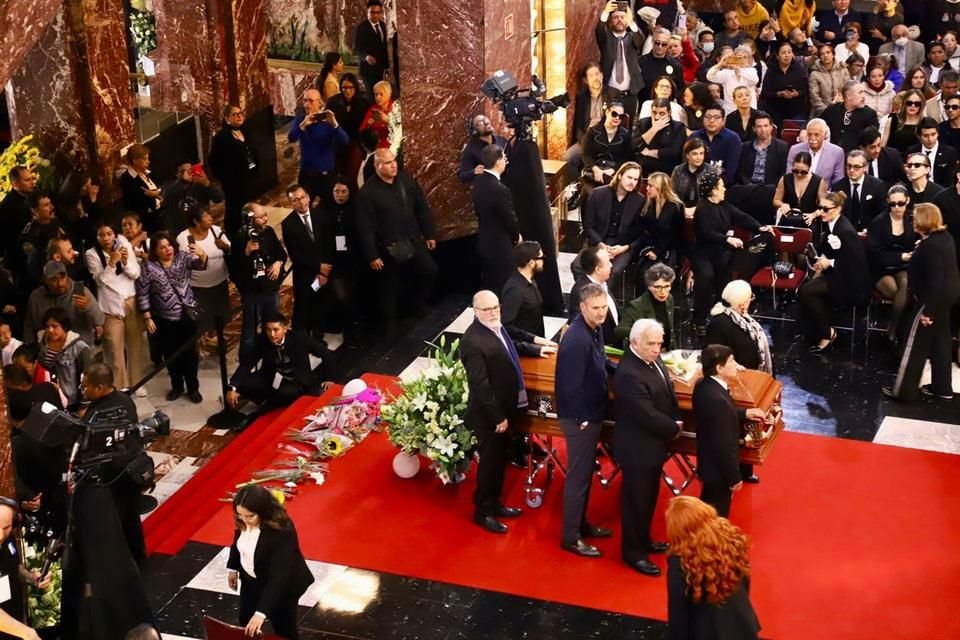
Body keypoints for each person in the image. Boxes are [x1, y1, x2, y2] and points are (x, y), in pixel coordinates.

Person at [459, 290, 530, 534]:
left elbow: (510, 350)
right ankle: (483, 511)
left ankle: (495, 503)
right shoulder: (472, 340)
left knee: (500, 461)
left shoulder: (496, 328)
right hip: (490, 416)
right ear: (476, 312)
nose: (493, 312)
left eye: (496, 307)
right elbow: (480, 385)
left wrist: (535, 347)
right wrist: (497, 416)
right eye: (487, 309)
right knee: (490, 464)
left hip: (506, 408)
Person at [613, 318, 678, 577]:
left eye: (659, 343)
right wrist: (673, 427)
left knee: (648, 498)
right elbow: (645, 414)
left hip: (651, 447)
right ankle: (633, 553)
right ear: (634, 342)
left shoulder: (652, 359)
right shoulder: (629, 372)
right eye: (651, 343)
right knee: (636, 502)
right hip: (637, 448)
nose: (657, 348)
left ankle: (644, 540)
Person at [556, 283, 616, 558]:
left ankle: (581, 524)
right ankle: (571, 537)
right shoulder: (576, 339)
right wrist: (581, 417)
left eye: (604, 307)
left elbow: (600, 361)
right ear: (582, 308)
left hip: (592, 412)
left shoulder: (594, 329)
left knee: (584, 476)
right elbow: (568, 385)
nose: (602, 313)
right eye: (596, 308)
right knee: (578, 478)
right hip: (580, 417)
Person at [355, 149, 438, 337]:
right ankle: (390, 324)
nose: (393, 165)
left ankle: (417, 306)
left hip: (413, 239)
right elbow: (365, 228)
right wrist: (372, 255)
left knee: (429, 271)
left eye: (394, 161)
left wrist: (429, 233)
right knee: (390, 287)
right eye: (388, 162)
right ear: (378, 166)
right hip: (388, 247)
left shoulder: (405, 180)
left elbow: (421, 207)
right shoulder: (367, 193)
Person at [883, 203, 960, 401]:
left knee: (915, 341)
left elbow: (936, 280)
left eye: (915, 217)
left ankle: (904, 391)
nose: (913, 221)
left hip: (933, 298)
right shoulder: (944, 238)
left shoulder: (930, 245)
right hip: (948, 296)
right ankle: (942, 388)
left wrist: (928, 312)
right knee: (941, 340)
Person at [665, 496, 761, 639]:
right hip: (742, 623)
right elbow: (745, 579)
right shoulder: (730, 538)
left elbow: (679, 615)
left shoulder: (679, 561)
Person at [227, 485, 313, 639]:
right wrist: (232, 567)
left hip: (284, 587)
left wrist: (261, 613)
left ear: (263, 511)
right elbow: (238, 541)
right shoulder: (244, 518)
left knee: (284, 630)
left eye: (250, 516)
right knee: (245, 620)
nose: (244, 520)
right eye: (240, 515)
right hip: (252, 580)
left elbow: (279, 577)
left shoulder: (282, 531)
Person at [693, 344, 767, 517]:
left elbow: (722, 412)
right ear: (719, 368)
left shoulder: (703, 385)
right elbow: (724, 446)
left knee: (708, 511)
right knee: (716, 517)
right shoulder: (717, 399)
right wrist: (734, 477)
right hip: (718, 471)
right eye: (731, 361)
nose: (736, 365)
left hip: (708, 464)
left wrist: (745, 412)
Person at [691, 168, 769, 334]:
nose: (724, 189)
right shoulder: (702, 208)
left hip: (720, 253)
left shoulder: (724, 205)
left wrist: (759, 226)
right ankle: (699, 320)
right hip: (703, 254)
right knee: (706, 277)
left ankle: (723, 317)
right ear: (713, 190)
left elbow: (741, 217)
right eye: (721, 186)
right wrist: (727, 239)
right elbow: (706, 233)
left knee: (724, 281)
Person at [136, 231, 208, 403]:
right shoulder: (148, 267)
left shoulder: (182, 258)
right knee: (170, 355)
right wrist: (147, 317)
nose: (167, 250)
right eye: (162, 247)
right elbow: (143, 293)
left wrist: (202, 254)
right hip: (164, 318)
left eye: (169, 245)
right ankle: (176, 386)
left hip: (187, 315)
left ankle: (193, 388)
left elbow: (201, 265)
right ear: (155, 250)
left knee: (190, 354)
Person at [798, 191, 870, 351]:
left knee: (807, 292)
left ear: (837, 209)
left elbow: (855, 264)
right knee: (806, 288)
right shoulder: (832, 225)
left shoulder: (845, 230)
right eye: (820, 208)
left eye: (825, 209)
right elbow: (830, 250)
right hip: (837, 275)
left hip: (849, 282)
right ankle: (817, 330)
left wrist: (829, 262)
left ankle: (827, 333)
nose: (821, 212)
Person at [226, 312, 335, 413]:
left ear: (285, 328)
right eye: (268, 330)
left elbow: (326, 353)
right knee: (242, 383)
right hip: (272, 376)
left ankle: (272, 402)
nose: (272, 334)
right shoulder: (263, 340)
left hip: (296, 380)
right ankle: (269, 400)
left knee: (284, 393)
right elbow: (247, 363)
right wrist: (233, 387)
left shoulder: (299, 338)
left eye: (276, 330)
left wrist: (329, 378)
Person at [85, 222, 146, 392]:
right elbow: (100, 281)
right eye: (101, 235)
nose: (106, 238)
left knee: (135, 347)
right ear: (97, 237)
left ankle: (137, 383)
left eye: (109, 233)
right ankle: (119, 387)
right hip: (110, 307)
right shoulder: (92, 254)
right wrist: (111, 263)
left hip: (130, 301)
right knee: (114, 352)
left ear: (114, 234)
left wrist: (125, 262)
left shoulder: (124, 244)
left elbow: (135, 273)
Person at [230, 203, 287, 360]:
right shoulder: (240, 237)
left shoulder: (268, 232)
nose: (265, 219)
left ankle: (271, 357)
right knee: (250, 331)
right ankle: (246, 362)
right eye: (261, 217)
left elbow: (281, 253)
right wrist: (246, 252)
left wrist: (278, 263)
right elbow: (234, 268)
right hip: (252, 292)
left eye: (265, 215)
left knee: (271, 326)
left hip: (271, 288)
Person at [582, 162, 644, 291]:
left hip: (622, 247)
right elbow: (588, 226)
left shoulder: (640, 201)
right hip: (599, 242)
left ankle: (603, 301)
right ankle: (584, 297)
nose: (632, 182)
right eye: (629, 177)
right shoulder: (598, 194)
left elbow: (641, 233)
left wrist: (624, 248)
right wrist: (600, 244)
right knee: (577, 266)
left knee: (612, 271)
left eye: (635, 179)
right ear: (620, 175)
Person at [281, 183, 333, 338]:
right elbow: (295, 254)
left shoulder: (321, 215)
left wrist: (324, 272)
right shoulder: (288, 224)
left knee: (320, 304)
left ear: (308, 197)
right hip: (305, 274)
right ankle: (302, 340)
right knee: (303, 306)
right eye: (296, 200)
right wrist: (318, 268)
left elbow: (328, 243)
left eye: (303, 197)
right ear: (291, 203)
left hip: (324, 272)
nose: (301, 202)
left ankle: (318, 337)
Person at [867, 185, 915, 342]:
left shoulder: (912, 219)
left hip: (903, 268)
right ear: (888, 202)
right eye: (893, 204)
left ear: (907, 201)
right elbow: (875, 256)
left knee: (905, 282)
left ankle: (893, 329)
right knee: (900, 294)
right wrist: (902, 257)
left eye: (900, 203)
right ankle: (899, 330)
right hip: (880, 269)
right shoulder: (878, 222)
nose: (897, 208)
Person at [0, 497, 52, 640]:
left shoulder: (7, 540)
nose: (0, 534)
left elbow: (15, 568)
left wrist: (29, 577)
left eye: (6, 527)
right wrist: (28, 633)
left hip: (14, 629)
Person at [176, 204, 231, 336]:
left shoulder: (216, 231)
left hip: (220, 283)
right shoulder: (183, 239)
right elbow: (184, 264)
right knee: (204, 322)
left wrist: (224, 246)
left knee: (221, 318)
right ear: (196, 221)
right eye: (206, 216)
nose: (210, 218)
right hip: (199, 288)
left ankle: (220, 343)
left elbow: (230, 248)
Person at [473, 144, 521, 294]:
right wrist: (516, 236)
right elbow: (509, 218)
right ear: (498, 162)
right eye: (504, 158)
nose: (506, 161)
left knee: (490, 284)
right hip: (500, 246)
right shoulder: (499, 189)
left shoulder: (479, 182)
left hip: (484, 241)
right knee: (504, 286)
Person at [289, 89, 348, 206]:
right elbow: (292, 138)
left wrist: (335, 124)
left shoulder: (328, 122)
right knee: (303, 207)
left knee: (331, 209)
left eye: (310, 101)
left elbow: (344, 140)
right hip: (306, 175)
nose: (306, 104)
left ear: (320, 103)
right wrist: (303, 125)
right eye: (304, 101)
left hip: (326, 176)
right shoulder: (300, 120)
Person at [24, 260, 103, 347]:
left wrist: (88, 307)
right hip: (49, 350)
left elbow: (100, 320)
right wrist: (29, 348)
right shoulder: (36, 297)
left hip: (80, 348)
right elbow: (29, 327)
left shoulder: (81, 292)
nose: (60, 284)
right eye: (54, 279)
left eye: (62, 278)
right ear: (45, 280)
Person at [209, 104, 260, 235]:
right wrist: (226, 178)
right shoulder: (221, 138)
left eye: (240, 113)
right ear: (227, 118)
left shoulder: (246, 131)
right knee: (235, 209)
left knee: (249, 206)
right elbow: (213, 162)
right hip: (234, 183)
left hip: (249, 179)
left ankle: (250, 229)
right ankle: (235, 234)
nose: (239, 116)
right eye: (235, 114)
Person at [595, 2, 645, 121]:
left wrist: (631, 21)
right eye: (615, 17)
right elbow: (599, 31)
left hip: (630, 94)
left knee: (627, 127)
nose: (619, 20)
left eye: (622, 17)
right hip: (611, 94)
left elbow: (640, 41)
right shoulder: (606, 38)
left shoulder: (632, 37)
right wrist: (606, 12)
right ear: (610, 21)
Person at [557, 63, 607, 176]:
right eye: (591, 76)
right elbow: (579, 125)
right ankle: (577, 186)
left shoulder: (612, 94)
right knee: (566, 158)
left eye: (597, 74)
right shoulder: (582, 97)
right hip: (586, 139)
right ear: (585, 80)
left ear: (602, 75)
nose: (596, 78)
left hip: (605, 140)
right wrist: (584, 142)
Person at [615, 262, 676, 350]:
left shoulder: (669, 299)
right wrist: (643, 332)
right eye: (658, 287)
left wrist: (675, 352)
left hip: (666, 352)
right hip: (645, 353)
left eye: (666, 286)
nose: (663, 291)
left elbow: (671, 331)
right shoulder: (637, 305)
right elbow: (619, 331)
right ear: (649, 287)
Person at [326, 73, 371, 192]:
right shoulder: (333, 102)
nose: (347, 91)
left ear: (355, 87)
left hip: (356, 141)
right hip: (337, 142)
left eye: (350, 87)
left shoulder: (364, 103)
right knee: (336, 175)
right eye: (344, 87)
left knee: (351, 176)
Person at [18, 191, 69, 293]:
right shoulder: (30, 235)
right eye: (46, 205)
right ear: (34, 210)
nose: (52, 207)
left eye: (50, 203)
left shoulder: (55, 222)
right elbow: (34, 270)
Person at [568, 246, 620, 346]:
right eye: (608, 263)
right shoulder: (582, 291)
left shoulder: (602, 284)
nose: (611, 265)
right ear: (598, 269)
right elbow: (580, 326)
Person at [581, 101, 634, 190]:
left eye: (621, 116)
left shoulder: (625, 135)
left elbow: (627, 158)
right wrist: (595, 169)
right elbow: (585, 154)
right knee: (589, 192)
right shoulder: (593, 131)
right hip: (595, 169)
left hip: (615, 172)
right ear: (607, 112)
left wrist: (613, 170)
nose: (617, 118)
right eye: (614, 114)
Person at [160, 162, 224, 234]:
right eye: (183, 171)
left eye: (190, 170)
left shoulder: (201, 184)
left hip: (201, 228)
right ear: (177, 174)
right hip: (181, 231)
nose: (188, 173)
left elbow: (219, 198)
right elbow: (166, 196)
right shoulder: (171, 188)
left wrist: (207, 183)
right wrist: (181, 182)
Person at [831, 149, 888, 230]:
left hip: (870, 232)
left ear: (865, 167)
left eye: (856, 167)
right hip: (845, 232)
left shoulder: (877, 186)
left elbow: (883, 213)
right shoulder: (838, 187)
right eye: (849, 166)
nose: (851, 170)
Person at [637, 172, 683, 271]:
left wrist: (657, 251)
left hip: (669, 248)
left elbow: (676, 235)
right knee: (643, 274)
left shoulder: (676, 206)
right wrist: (650, 249)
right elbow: (643, 230)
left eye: (650, 186)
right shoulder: (647, 204)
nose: (646, 188)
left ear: (660, 187)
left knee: (660, 274)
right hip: (650, 246)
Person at [501, 242, 548, 340]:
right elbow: (507, 326)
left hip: (537, 341)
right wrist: (533, 339)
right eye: (541, 258)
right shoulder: (514, 290)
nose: (543, 261)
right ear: (531, 263)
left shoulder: (530, 280)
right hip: (525, 346)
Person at [759, 41, 809, 128]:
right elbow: (765, 92)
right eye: (783, 53)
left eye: (789, 52)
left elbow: (806, 90)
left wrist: (796, 94)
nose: (787, 55)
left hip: (796, 110)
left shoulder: (799, 69)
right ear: (777, 56)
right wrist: (779, 94)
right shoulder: (771, 70)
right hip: (775, 111)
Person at [691, 104, 742, 185]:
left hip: (724, 186)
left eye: (716, 117)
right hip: (696, 184)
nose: (711, 120)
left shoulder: (733, 138)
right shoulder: (694, 137)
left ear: (723, 121)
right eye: (708, 117)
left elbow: (731, 171)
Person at [820, 81, 879, 152]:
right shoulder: (832, 110)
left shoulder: (869, 114)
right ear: (848, 96)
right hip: (831, 154)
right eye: (860, 93)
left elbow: (872, 139)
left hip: (856, 157)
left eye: (864, 92)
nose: (863, 96)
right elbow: (818, 123)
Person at [635, 98, 688, 176]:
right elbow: (635, 146)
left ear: (669, 113)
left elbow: (674, 152)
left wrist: (649, 152)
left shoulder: (678, 127)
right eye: (654, 112)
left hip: (668, 170)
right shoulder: (644, 123)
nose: (657, 117)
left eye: (662, 113)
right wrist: (654, 129)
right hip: (645, 169)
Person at [786, 119, 845, 187]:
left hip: (824, 194)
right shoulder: (795, 150)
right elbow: (789, 177)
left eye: (816, 135)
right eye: (809, 134)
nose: (812, 138)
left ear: (824, 135)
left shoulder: (837, 152)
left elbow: (838, 182)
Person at [773, 152, 826, 226]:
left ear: (809, 167)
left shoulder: (818, 181)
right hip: (788, 220)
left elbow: (825, 206)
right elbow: (776, 200)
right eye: (795, 171)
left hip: (808, 222)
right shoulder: (785, 179)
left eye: (803, 172)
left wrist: (813, 215)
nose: (799, 174)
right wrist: (782, 205)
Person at [120, 144, 163, 233]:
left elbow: (160, 188)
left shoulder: (148, 172)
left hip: (160, 216)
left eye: (148, 158)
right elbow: (141, 200)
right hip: (146, 222)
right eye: (144, 159)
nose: (148, 162)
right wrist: (157, 195)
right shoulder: (127, 178)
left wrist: (156, 193)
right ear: (135, 160)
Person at [0, 166, 37, 265]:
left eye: (32, 178)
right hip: (20, 261)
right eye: (27, 180)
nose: (32, 182)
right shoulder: (7, 207)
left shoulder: (33, 194)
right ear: (15, 184)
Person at [353, 0, 390, 98]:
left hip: (381, 69)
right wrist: (366, 57)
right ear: (367, 12)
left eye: (378, 13)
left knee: (383, 95)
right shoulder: (361, 28)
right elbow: (357, 48)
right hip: (368, 70)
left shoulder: (383, 25)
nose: (375, 15)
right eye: (372, 12)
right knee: (372, 96)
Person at [706, 48, 759, 115]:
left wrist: (738, 70)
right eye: (739, 57)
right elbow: (710, 76)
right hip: (730, 112)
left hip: (750, 112)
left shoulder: (752, 71)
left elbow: (755, 80)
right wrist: (720, 64)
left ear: (749, 60)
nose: (741, 59)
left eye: (745, 57)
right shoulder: (726, 73)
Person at [459, 114, 509, 184]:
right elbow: (462, 176)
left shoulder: (501, 140)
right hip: (489, 189)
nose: (486, 122)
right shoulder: (470, 149)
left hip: (509, 188)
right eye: (480, 122)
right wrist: (474, 172)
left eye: (485, 119)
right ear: (475, 131)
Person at [908, 118, 958, 187]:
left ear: (938, 134)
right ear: (919, 136)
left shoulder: (949, 152)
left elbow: (950, 180)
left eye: (933, 134)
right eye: (926, 135)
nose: (930, 139)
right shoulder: (912, 151)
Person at [640, 28, 686, 100]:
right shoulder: (640, 62)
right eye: (657, 43)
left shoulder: (675, 65)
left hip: (668, 106)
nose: (660, 46)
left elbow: (680, 88)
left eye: (664, 44)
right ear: (652, 41)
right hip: (645, 104)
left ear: (668, 44)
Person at [672, 138, 708, 218]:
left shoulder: (710, 171)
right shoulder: (678, 170)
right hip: (681, 211)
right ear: (687, 155)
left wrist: (695, 210)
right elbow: (673, 195)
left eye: (701, 153)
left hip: (704, 212)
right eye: (695, 154)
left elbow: (712, 199)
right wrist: (683, 210)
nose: (699, 157)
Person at [359, 80, 399, 151]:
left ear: (389, 94)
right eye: (376, 94)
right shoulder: (373, 109)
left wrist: (388, 121)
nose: (378, 97)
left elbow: (400, 130)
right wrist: (368, 124)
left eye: (381, 94)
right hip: (375, 148)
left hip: (392, 147)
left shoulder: (396, 108)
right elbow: (362, 130)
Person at [808, 45, 847, 117]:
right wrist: (828, 111)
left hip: (842, 110)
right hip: (821, 113)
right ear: (819, 57)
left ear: (833, 54)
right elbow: (814, 98)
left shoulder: (843, 69)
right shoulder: (814, 74)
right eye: (822, 54)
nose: (825, 55)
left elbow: (848, 90)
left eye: (828, 52)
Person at [884, 89, 926, 155]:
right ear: (904, 103)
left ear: (921, 105)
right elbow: (883, 146)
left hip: (916, 161)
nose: (913, 106)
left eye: (917, 104)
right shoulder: (893, 120)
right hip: (894, 159)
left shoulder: (925, 123)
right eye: (909, 103)